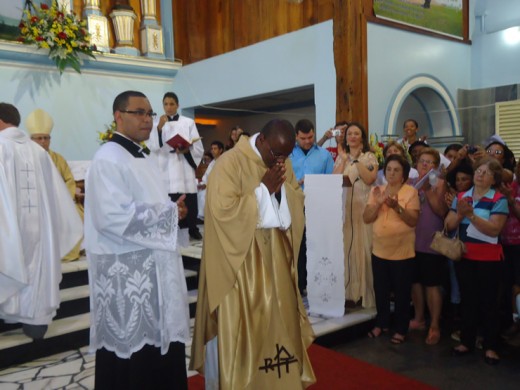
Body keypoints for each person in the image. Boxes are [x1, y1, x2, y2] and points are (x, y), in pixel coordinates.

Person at [190, 119, 316, 389]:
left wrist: (281, 193)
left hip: (276, 263)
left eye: (286, 155)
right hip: (241, 268)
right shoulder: (229, 163)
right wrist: (263, 191)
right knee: (247, 331)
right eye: (277, 154)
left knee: (279, 325)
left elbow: (296, 198)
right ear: (261, 141)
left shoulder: (282, 162)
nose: (281, 161)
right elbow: (221, 212)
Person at [84, 91, 190, 389]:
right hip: (129, 277)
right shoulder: (108, 157)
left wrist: (173, 210)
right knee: (133, 357)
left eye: (150, 113)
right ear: (119, 116)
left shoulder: (142, 155)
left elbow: (148, 203)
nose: (147, 119)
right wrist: (167, 214)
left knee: (159, 350)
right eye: (139, 113)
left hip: (154, 270)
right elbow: (111, 217)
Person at [0, 102, 82, 339]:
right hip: (41, 234)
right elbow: (59, 199)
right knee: (38, 269)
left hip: (10, 230)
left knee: (9, 260)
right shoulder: (39, 153)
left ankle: (10, 311)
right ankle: (34, 324)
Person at [446, 156, 508, 365]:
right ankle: (466, 341)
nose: (479, 175)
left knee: (489, 302)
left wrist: (470, 215)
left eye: (485, 172)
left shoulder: (498, 199)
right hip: (465, 255)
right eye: (478, 171)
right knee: (468, 300)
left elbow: (495, 228)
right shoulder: (462, 196)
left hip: (489, 258)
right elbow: (450, 224)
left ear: (494, 179)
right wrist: (460, 214)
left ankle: (490, 346)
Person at [363, 154, 420, 344]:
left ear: (403, 174)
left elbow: (413, 220)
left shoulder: (410, 192)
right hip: (379, 250)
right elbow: (367, 218)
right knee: (381, 289)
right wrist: (379, 203)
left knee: (402, 292)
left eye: (396, 170)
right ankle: (382, 323)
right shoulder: (377, 191)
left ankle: (401, 328)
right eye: (388, 169)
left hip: (402, 253)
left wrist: (397, 207)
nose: (392, 173)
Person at [25, 108, 83, 262]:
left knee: (78, 214)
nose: (43, 141)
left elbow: (69, 180)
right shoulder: (25, 159)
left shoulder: (58, 158)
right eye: (39, 138)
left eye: (46, 137)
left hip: (60, 203)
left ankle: (68, 253)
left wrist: (64, 198)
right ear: (31, 140)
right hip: (35, 204)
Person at [146, 92, 204, 240]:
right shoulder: (156, 125)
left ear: (177, 105)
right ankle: (168, 227)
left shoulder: (188, 122)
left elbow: (198, 147)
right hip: (165, 166)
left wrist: (186, 150)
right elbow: (152, 146)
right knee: (168, 198)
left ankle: (191, 227)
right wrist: (159, 129)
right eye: (166, 104)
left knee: (188, 197)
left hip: (183, 164)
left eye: (172, 104)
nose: (169, 107)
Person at [333, 122, 378, 308]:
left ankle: (364, 294)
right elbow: (333, 179)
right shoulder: (341, 156)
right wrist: (343, 159)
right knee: (347, 252)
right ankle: (348, 293)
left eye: (356, 133)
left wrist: (356, 160)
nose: (352, 136)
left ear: (362, 137)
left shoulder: (370, 156)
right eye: (349, 133)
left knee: (364, 251)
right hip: (345, 211)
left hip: (363, 208)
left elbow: (370, 179)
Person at [408, 148, 449, 345]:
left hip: (431, 240)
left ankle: (434, 324)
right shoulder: (410, 183)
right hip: (411, 240)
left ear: (436, 166)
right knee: (415, 281)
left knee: (432, 284)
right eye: (421, 161)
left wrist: (428, 191)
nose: (424, 165)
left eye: (429, 162)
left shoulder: (440, 183)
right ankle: (419, 318)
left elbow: (442, 211)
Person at [290, 118, 334, 295]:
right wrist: (296, 183)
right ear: (296, 136)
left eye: (310, 137)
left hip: (317, 206)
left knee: (315, 245)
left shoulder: (324, 155)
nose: (307, 141)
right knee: (297, 246)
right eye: (303, 138)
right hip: (294, 204)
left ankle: (314, 283)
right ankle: (298, 284)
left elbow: (330, 181)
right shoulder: (287, 155)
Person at [197, 141, 224, 220]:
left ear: (221, 150)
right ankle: (201, 216)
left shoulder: (224, 161)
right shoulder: (212, 162)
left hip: (219, 187)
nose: (212, 150)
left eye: (215, 148)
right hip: (209, 186)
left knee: (203, 195)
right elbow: (206, 176)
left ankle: (205, 217)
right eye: (212, 149)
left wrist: (207, 185)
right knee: (199, 192)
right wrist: (203, 184)